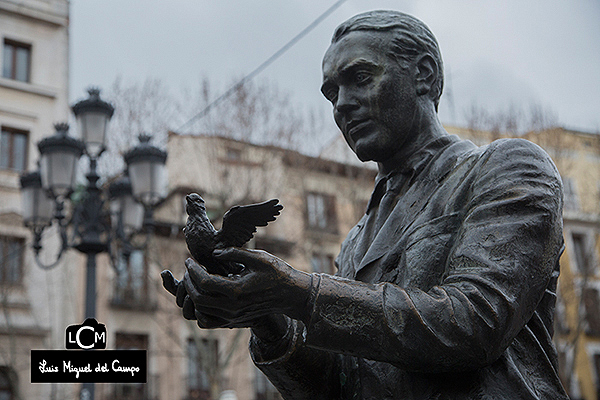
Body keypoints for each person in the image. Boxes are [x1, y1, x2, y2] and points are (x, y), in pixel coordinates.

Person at [163, 10, 568, 399]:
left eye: (360, 78)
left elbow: (474, 324)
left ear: (423, 75)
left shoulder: (507, 166)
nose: (341, 104)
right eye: (332, 93)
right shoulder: (356, 240)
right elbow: (339, 387)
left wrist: (298, 295)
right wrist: (265, 316)